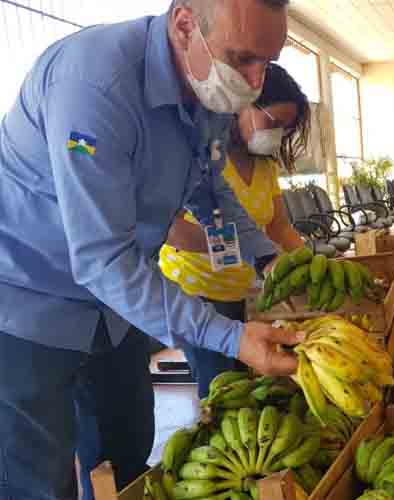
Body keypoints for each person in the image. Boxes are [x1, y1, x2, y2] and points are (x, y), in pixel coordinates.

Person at [0, 1, 302, 498]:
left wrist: (265, 255)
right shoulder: (93, 87)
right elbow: (101, 257)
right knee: (37, 479)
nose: (254, 80)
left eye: (267, 61)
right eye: (244, 57)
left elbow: (208, 186)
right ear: (185, 25)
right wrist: (230, 338)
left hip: (112, 308)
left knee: (128, 453)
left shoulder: (206, 87)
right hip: (27, 302)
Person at [161, 63, 309, 398]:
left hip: (236, 291)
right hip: (194, 290)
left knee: (243, 385)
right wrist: (226, 244)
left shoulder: (265, 167)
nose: (279, 134)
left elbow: (279, 227)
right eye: (273, 123)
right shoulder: (206, 158)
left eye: (286, 129)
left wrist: (308, 264)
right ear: (243, 105)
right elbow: (171, 229)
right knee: (220, 389)